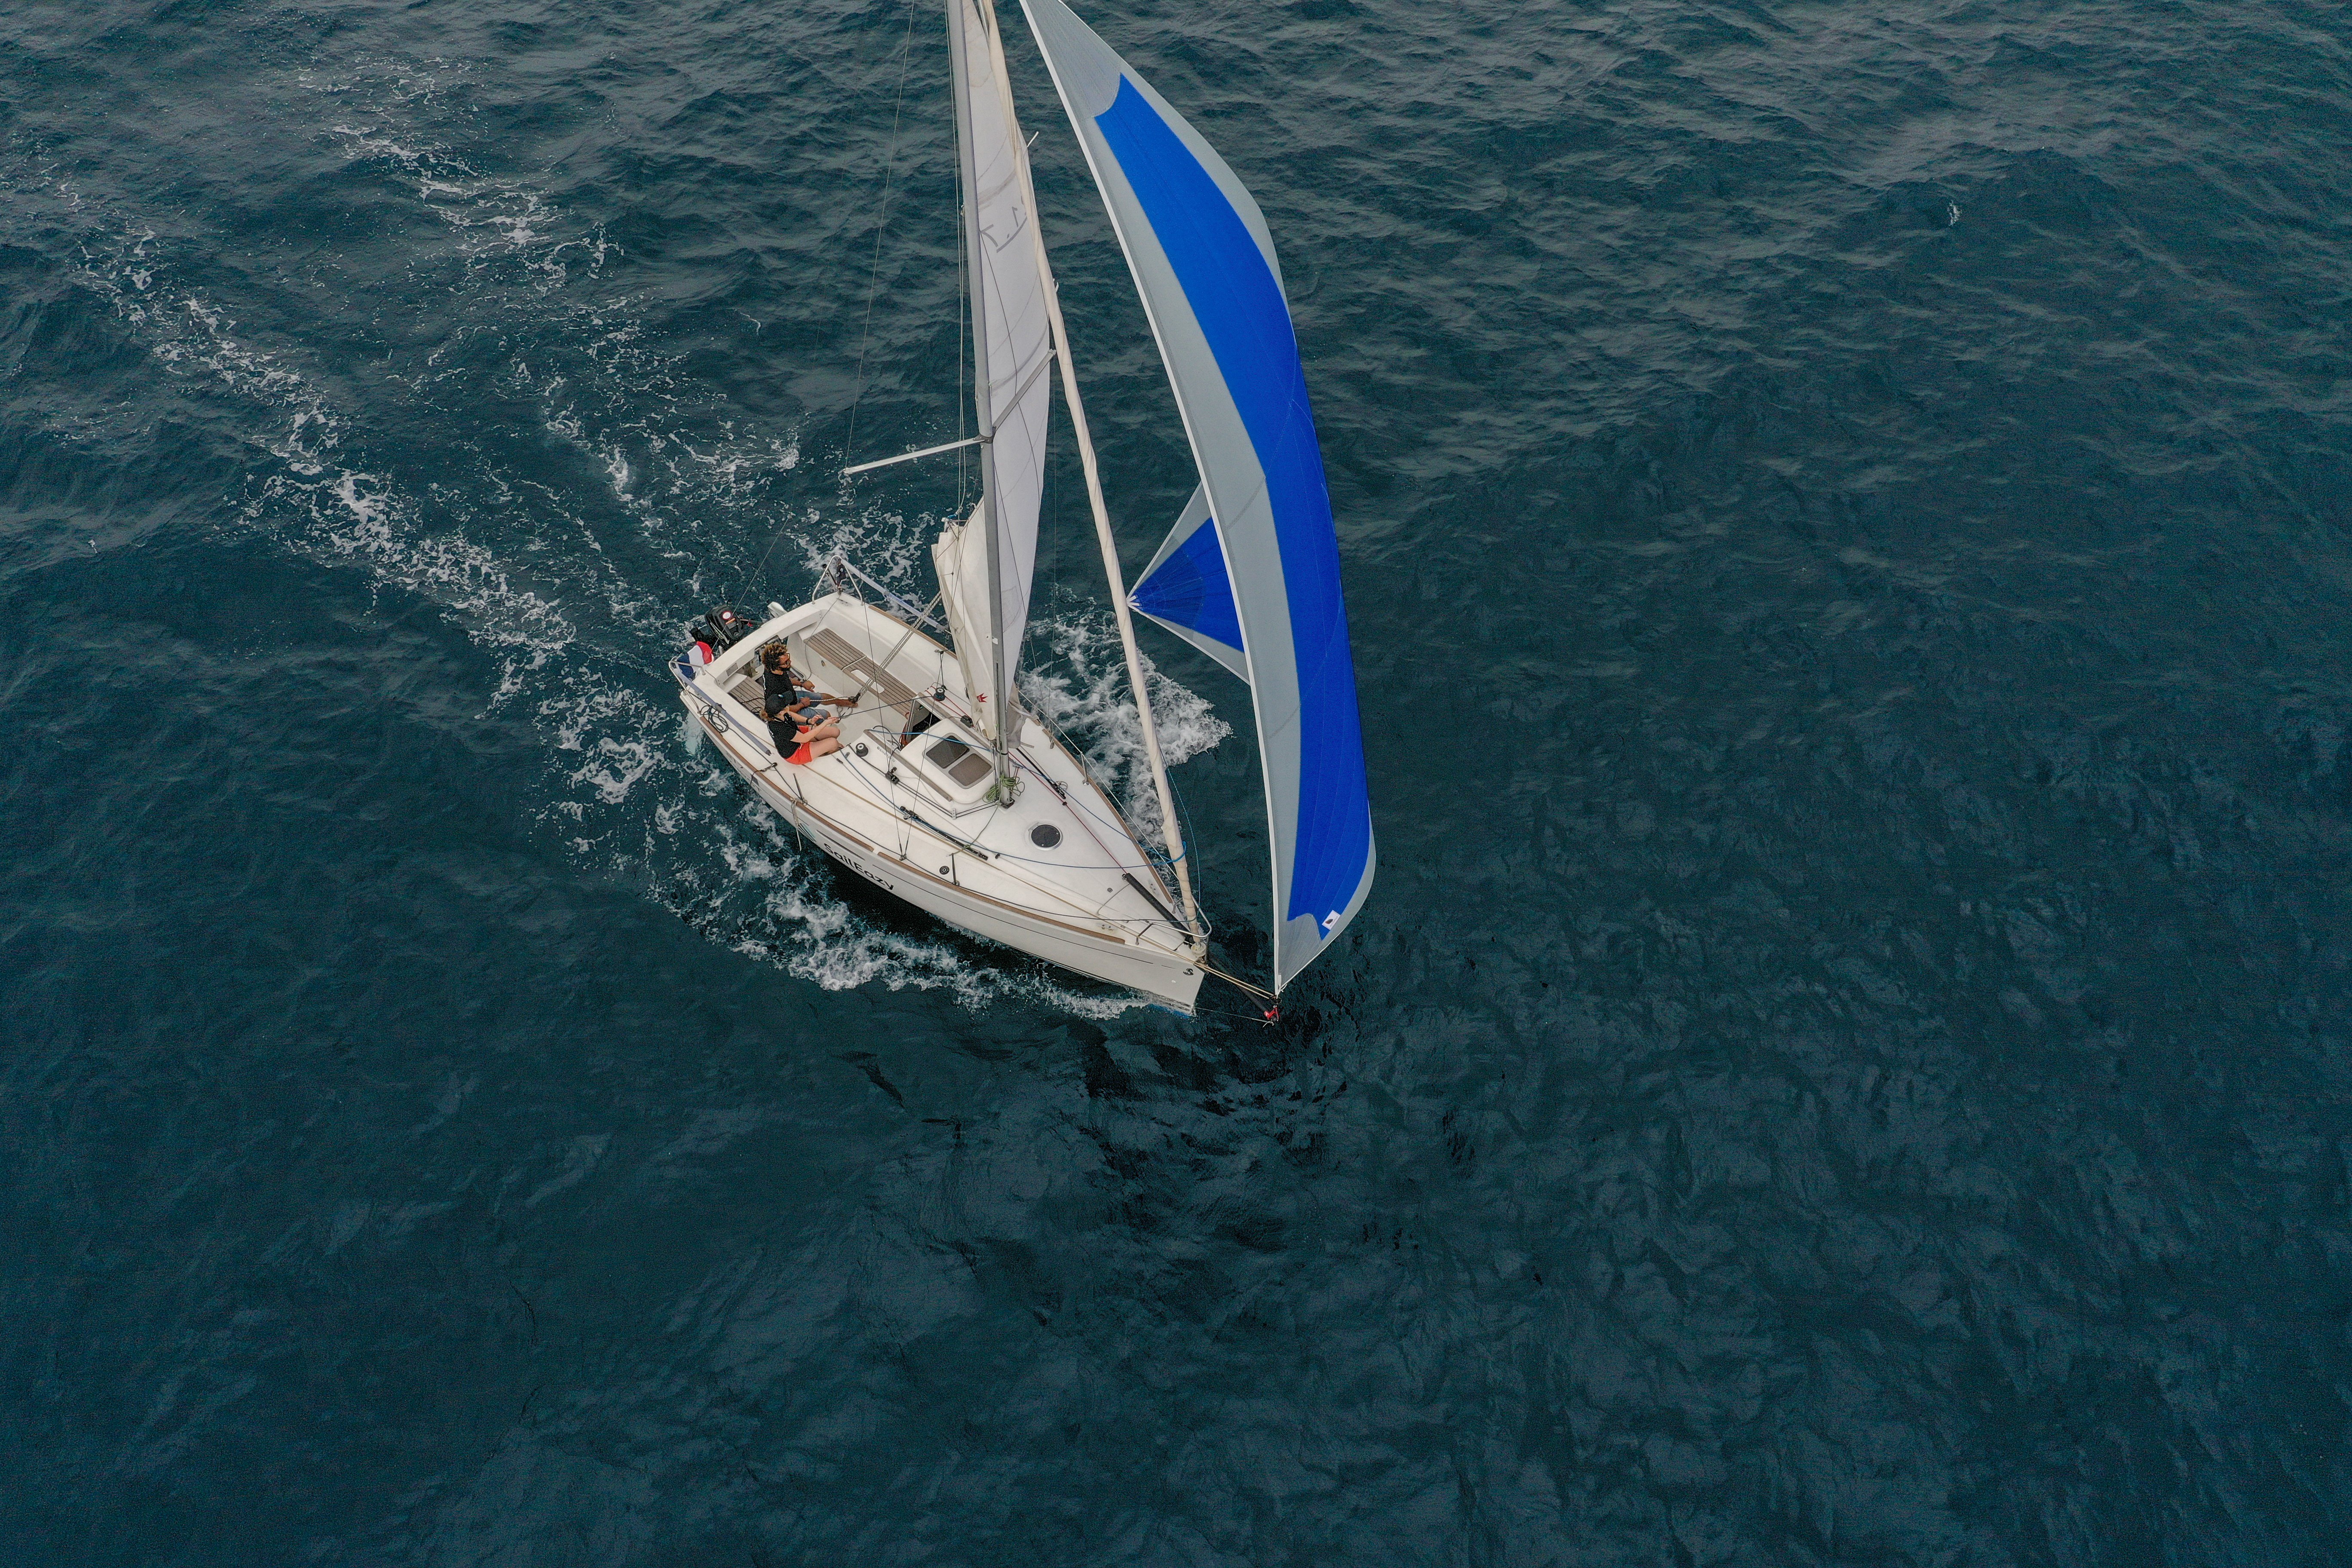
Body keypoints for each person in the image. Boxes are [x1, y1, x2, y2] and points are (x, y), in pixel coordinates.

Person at [761, 643, 851, 764]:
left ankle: (840, 702)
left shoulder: (775, 672)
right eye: (786, 662)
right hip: (797, 748)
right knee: (827, 719)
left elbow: (787, 684)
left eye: (788, 658)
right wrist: (803, 705)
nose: (790, 662)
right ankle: (824, 750)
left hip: (793, 701)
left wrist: (802, 685)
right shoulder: (779, 721)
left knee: (833, 727)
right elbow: (803, 737)